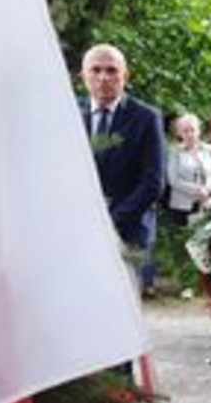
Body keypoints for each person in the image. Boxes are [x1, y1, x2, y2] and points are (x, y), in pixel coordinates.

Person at [80, 44, 165, 295]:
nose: (103, 77)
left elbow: (153, 182)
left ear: (125, 76)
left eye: (111, 70)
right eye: (96, 70)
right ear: (83, 76)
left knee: (123, 301)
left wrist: (109, 221)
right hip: (78, 228)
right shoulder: (68, 115)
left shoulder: (146, 118)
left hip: (129, 230)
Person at [166, 113, 211, 226]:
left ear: (199, 131)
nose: (190, 134)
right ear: (179, 133)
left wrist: (208, 189)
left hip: (207, 203)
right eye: (185, 131)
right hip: (182, 206)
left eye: (192, 130)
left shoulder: (209, 150)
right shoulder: (174, 152)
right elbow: (173, 180)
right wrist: (197, 190)